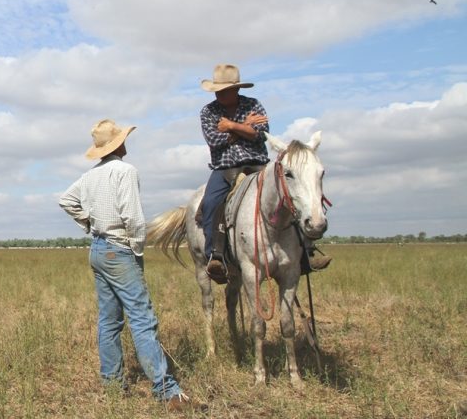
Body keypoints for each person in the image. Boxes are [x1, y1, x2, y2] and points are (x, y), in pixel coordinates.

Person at [59, 119, 197, 411]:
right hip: (120, 249)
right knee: (142, 320)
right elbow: (133, 217)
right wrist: (136, 247)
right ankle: (167, 391)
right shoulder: (125, 171)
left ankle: (112, 384)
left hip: (97, 248)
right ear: (119, 144)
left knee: (109, 321)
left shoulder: (90, 176)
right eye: (122, 138)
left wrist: (88, 222)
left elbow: (66, 200)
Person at [198, 64, 330, 282]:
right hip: (225, 168)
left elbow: (259, 135)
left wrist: (230, 125)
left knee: (290, 195)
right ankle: (215, 255)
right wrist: (244, 126)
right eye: (217, 90)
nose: (219, 94)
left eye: (224, 90)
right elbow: (215, 141)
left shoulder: (253, 104)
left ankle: (307, 251)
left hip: (258, 164)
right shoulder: (208, 111)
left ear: (236, 89)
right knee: (211, 202)